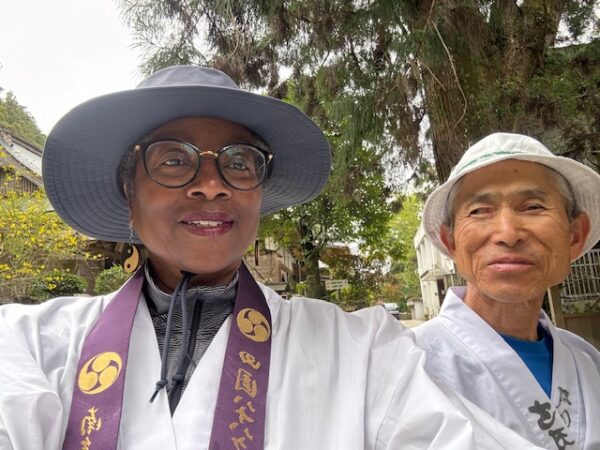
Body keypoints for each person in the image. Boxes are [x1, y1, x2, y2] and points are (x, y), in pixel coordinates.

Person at [0, 67, 543, 450]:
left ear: (260, 189)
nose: (211, 186)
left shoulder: (362, 350)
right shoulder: (32, 344)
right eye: (172, 160)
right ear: (128, 189)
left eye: (239, 162)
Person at [415, 132, 600, 449]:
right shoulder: (413, 364)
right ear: (451, 242)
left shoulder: (588, 361)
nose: (508, 234)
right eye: (479, 211)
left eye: (532, 206)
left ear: (575, 235)